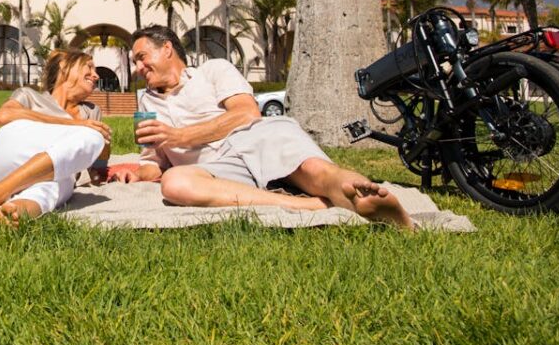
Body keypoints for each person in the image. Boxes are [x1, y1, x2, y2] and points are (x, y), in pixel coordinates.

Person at [113, 26, 413, 229]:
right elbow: (155, 164)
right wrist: (136, 172)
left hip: (253, 139)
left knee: (315, 171)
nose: (138, 68)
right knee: (175, 183)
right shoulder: (147, 103)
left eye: (141, 57)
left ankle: (357, 194)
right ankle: (308, 206)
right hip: (217, 171)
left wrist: (179, 136)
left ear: (167, 49)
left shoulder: (213, 70)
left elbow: (246, 113)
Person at [0, 49, 111, 226]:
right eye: (89, 66)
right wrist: (76, 125)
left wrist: (104, 145)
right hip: (15, 151)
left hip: (54, 173)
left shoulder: (91, 111)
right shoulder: (29, 95)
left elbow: (97, 166)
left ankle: (14, 210)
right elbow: (5, 115)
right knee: (92, 136)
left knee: (59, 185)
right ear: (64, 66)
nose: (96, 75)